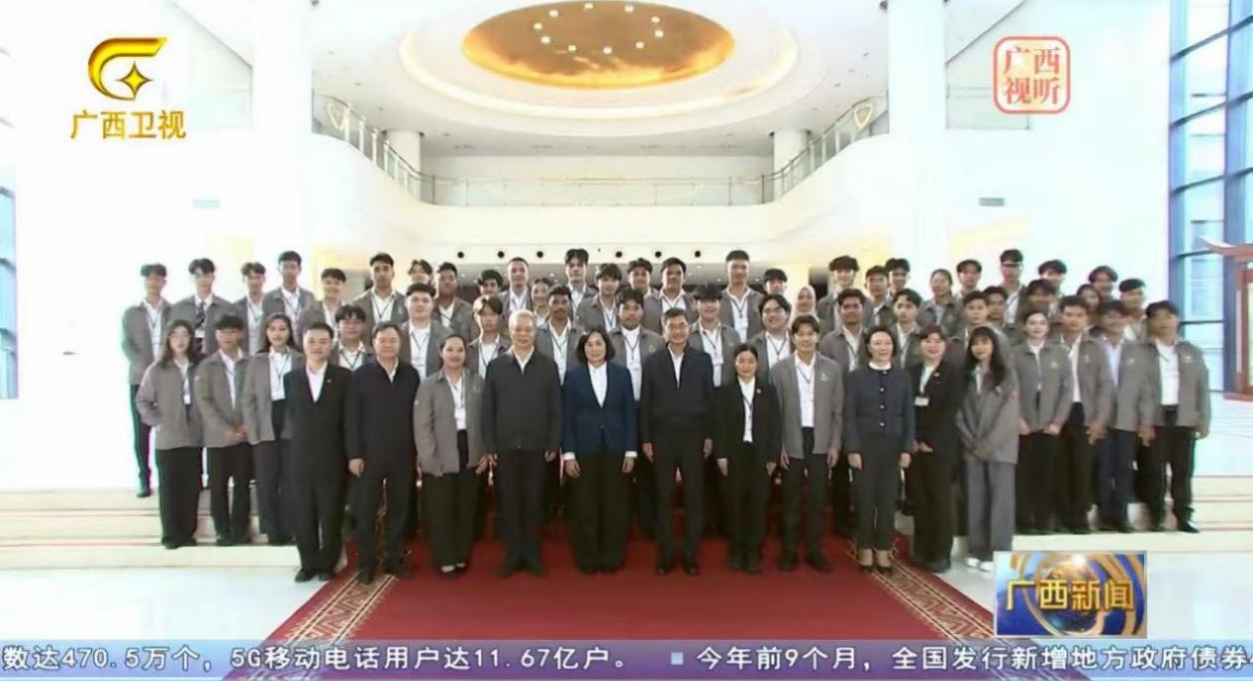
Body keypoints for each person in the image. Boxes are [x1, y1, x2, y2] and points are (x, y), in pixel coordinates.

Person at [482, 310, 562, 577]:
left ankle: (532, 555)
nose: (523, 334)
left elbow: (555, 407)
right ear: (510, 331)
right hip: (504, 446)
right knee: (509, 503)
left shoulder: (548, 366)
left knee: (533, 502)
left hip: (537, 446)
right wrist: (489, 445)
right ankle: (512, 555)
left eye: (528, 329)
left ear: (536, 333)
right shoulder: (496, 366)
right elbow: (488, 408)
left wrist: (553, 442)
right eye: (518, 329)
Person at [640, 308, 715, 576]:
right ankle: (667, 553)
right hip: (662, 437)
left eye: (682, 326)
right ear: (664, 330)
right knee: (664, 497)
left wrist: (709, 435)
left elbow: (710, 400)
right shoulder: (652, 361)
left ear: (689, 328)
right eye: (672, 326)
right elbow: (646, 402)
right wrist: (646, 439)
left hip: (694, 436)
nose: (678, 331)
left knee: (694, 496)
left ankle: (690, 554)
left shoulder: (703, 360)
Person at [347, 322, 421, 584]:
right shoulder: (360, 375)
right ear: (373, 343)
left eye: (393, 340)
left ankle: (394, 559)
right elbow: (352, 417)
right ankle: (366, 563)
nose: (388, 345)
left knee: (399, 509)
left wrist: (418, 451)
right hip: (369, 455)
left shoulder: (411, 374)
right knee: (365, 510)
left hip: (403, 453)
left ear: (400, 344)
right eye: (382, 340)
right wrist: (354, 454)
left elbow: (417, 416)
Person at [562, 329, 638, 574]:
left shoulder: (622, 375)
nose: (594, 349)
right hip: (584, 449)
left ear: (607, 347)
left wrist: (631, 451)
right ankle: (587, 558)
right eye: (589, 345)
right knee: (585, 504)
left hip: (616, 448)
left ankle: (612, 557)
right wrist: (568, 454)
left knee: (615, 504)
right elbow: (567, 418)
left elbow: (629, 414)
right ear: (582, 349)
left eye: (599, 343)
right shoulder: (573, 377)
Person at [772, 315, 842, 573]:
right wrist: (779, 446)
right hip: (791, 437)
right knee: (790, 499)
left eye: (810, 334)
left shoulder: (831, 369)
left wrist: (835, 444)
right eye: (800, 334)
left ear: (818, 337)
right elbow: (774, 413)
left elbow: (838, 411)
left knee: (816, 499)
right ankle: (789, 552)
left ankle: (814, 551)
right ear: (793, 337)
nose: (805, 339)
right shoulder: (779, 369)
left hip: (820, 438)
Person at [416, 334, 489, 578]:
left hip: (471, 447)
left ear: (466, 354)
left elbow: (485, 420)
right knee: (441, 508)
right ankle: (445, 558)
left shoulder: (477, 382)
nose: (455, 354)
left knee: (466, 507)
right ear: (441, 353)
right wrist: (429, 459)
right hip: (441, 448)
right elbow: (422, 425)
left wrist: (485, 451)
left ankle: (461, 555)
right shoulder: (429, 384)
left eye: (460, 350)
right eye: (450, 350)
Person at [844, 327, 914, 575]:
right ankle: (864, 549)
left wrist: (907, 448)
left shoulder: (903, 377)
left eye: (886, 343)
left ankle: (883, 550)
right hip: (864, 447)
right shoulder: (856, 377)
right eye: (877, 343)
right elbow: (849, 414)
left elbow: (909, 414)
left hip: (893, 447)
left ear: (893, 347)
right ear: (868, 347)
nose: (882, 347)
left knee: (887, 501)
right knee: (864, 500)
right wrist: (852, 448)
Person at [285, 322, 353, 582]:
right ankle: (307, 563)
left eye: (323, 341)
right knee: (304, 513)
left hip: (333, 455)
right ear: (303, 344)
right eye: (311, 341)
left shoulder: (344, 377)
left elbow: (349, 420)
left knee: (331, 513)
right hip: (301, 456)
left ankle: (327, 563)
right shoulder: (291, 378)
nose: (317, 346)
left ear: (331, 344)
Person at [1143, 301, 1210, 533]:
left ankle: (1184, 515)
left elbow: (1202, 388)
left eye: (1168, 316)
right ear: (1149, 322)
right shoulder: (1140, 351)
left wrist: (1203, 419)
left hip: (1184, 416)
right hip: (1155, 417)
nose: (1163, 322)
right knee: (1154, 469)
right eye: (1157, 317)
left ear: (1177, 320)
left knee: (1183, 470)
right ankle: (1156, 515)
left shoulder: (1191, 351)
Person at [135, 320, 203, 549]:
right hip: (168, 439)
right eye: (175, 335)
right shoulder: (157, 369)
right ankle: (171, 535)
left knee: (191, 488)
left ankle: (188, 533)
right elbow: (142, 400)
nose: (180, 340)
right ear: (168, 339)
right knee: (170, 489)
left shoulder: (199, 366)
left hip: (193, 437)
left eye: (185, 335)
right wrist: (157, 422)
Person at [957, 327, 1019, 573]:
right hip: (971, 447)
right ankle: (977, 548)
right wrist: (970, 440)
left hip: (1000, 448)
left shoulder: (1007, 375)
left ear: (994, 346)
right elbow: (958, 413)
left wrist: (988, 444)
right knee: (975, 500)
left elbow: (1009, 415)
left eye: (985, 342)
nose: (980, 347)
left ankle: (998, 552)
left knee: (1000, 502)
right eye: (975, 343)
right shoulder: (965, 376)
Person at [714, 344, 780, 575]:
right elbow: (719, 425)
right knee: (735, 504)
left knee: (757, 504)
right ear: (734, 364)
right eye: (741, 361)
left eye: (750, 361)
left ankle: (754, 553)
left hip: (760, 454)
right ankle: (736, 551)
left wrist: (773, 455)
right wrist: (721, 454)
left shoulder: (767, 390)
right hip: (734, 453)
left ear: (757, 364)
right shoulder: (725, 391)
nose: (746, 365)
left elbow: (775, 425)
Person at [1055, 295, 1114, 534]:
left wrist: (1100, 420)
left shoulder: (1096, 346)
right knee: (1058, 466)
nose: (1073, 320)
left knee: (1082, 466)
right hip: (1055, 411)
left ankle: (1079, 518)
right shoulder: (1051, 343)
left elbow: (1106, 385)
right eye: (1069, 314)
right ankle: (1059, 517)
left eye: (1079, 316)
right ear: (1060, 316)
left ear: (1087, 319)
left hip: (1083, 411)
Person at [241, 313, 301, 546]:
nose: (277, 333)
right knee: (266, 480)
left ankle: (291, 527)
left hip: (291, 419)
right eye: (273, 329)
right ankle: (272, 531)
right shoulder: (257, 361)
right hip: (265, 421)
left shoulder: (300, 358)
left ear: (290, 332)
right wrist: (253, 433)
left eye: (282, 329)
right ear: (266, 333)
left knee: (291, 479)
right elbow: (248, 399)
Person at [610, 288, 666, 536]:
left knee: (647, 469)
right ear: (618, 311)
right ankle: (620, 522)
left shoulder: (657, 341)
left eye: (636, 308)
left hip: (649, 410)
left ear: (643, 311)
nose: (631, 313)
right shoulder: (607, 340)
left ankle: (649, 523)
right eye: (626, 308)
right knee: (618, 468)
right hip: (616, 412)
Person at [907, 326, 963, 573]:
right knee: (919, 499)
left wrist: (931, 440)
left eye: (937, 341)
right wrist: (912, 439)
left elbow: (950, 411)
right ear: (920, 344)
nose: (932, 345)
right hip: (914, 447)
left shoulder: (953, 374)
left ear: (945, 345)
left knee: (940, 500)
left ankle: (941, 553)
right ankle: (922, 549)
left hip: (940, 447)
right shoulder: (911, 372)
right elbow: (905, 408)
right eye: (927, 340)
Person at [193, 314, 253, 546]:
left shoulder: (251, 363)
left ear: (241, 334)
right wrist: (224, 429)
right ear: (216, 336)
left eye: (232, 331)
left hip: (245, 436)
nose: (227, 336)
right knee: (217, 487)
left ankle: (241, 530)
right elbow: (204, 402)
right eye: (222, 332)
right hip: (217, 438)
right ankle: (222, 531)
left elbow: (257, 396)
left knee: (242, 486)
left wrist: (247, 425)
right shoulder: (206, 365)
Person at [1012, 310, 1073, 535]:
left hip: (1050, 424)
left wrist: (1057, 422)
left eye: (1041, 323)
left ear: (1048, 327)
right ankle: (1024, 521)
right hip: (1023, 424)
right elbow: (1010, 389)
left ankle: (1043, 520)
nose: (1037, 327)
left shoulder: (1059, 353)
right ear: (1024, 326)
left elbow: (1067, 389)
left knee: (1047, 474)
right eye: (1032, 322)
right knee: (1023, 475)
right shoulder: (1014, 354)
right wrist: (1018, 419)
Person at [1096, 300, 1153, 533]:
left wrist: (1146, 420)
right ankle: (1104, 515)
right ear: (1100, 319)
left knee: (1123, 468)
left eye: (1120, 316)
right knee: (1101, 469)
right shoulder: (1092, 346)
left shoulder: (1138, 349)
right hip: (1097, 418)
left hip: (1127, 419)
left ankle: (1121, 517)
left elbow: (1146, 389)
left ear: (1128, 319)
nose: (1115, 321)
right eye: (1109, 316)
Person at [818, 288, 868, 537]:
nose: (850, 310)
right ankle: (841, 520)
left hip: (867, 412)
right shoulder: (828, 341)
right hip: (838, 409)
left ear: (863, 308)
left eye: (855, 306)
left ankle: (864, 516)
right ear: (839, 311)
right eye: (845, 307)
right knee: (838, 470)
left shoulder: (873, 337)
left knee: (864, 468)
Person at [123, 263, 171, 498]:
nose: (153, 283)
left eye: (157, 278)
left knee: (169, 428)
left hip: (168, 379)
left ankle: (168, 478)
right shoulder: (131, 313)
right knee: (141, 431)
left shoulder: (173, 311)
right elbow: (127, 345)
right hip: (139, 379)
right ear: (144, 282)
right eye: (149, 279)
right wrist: (146, 370)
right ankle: (144, 478)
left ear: (164, 282)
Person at [171, 258, 232, 357]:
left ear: (213, 277)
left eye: (206, 276)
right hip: (186, 360)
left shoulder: (226, 308)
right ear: (192, 278)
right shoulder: (179, 309)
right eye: (198, 276)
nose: (203, 280)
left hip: (216, 361)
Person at [689, 284, 740, 388]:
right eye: (704, 301)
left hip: (726, 391)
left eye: (713, 301)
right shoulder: (687, 334)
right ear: (695, 304)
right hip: (697, 390)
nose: (709, 305)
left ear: (720, 304)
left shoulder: (733, 335)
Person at [399, 282, 451, 380]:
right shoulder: (396, 334)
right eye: (415, 300)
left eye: (425, 301)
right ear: (406, 303)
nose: (420, 304)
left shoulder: (446, 335)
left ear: (433, 304)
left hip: (436, 387)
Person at [535, 285, 581, 384]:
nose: (560, 306)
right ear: (548, 304)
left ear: (570, 304)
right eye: (555, 302)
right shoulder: (537, 334)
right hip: (545, 388)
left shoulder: (581, 334)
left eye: (564, 302)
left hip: (575, 387)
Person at [352, 253, 407, 331]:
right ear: (371, 275)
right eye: (377, 270)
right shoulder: (358, 303)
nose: (382, 274)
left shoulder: (405, 302)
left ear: (393, 273)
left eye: (386, 269)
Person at [643, 257, 697, 334]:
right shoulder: (647, 302)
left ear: (684, 278)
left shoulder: (693, 301)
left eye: (678, 273)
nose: (673, 277)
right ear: (662, 278)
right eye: (669, 273)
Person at [719, 250, 764, 341]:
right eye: (734, 267)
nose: (739, 271)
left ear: (749, 271)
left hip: (754, 347)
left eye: (744, 267)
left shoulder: (760, 299)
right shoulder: (718, 300)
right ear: (726, 270)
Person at [749, 293, 792, 383]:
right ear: (761, 316)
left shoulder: (797, 341)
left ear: (787, 314)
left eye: (777, 310)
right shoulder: (752, 345)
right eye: (767, 311)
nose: (772, 315)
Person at [297, 268, 347, 341]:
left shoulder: (349, 312)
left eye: (337, 283)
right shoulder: (308, 312)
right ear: (321, 284)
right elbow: (300, 339)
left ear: (344, 286)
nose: (332, 287)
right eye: (328, 283)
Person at [266, 251, 315, 322]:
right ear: (279, 269)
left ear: (299, 269)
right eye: (285, 267)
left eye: (293, 267)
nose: (289, 271)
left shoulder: (309, 297)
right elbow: (265, 325)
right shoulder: (269, 298)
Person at [468, 296, 509, 377]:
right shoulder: (469, 350)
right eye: (483, 315)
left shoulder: (509, 349)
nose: (488, 319)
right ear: (475, 317)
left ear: (500, 317)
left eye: (493, 314)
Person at [576, 263, 623, 332]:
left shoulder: (622, 305)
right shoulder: (584, 307)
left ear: (619, 283)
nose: (609, 284)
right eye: (605, 280)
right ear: (596, 282)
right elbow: (579, 332)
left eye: (613, 280)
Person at [434, 262, 475, 340]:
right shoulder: (427, 309)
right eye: (442, 279)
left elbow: (473, 340)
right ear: (434, 282)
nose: (447, 282)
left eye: (451, 278)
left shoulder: (468, 310)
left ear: (457, 282)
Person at [236, 262, 268, 356]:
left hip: (267, 354)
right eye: (250, 278)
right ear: (243, 279)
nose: (254, 282)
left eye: (258, 277)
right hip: (243, 354)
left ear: (264, 279)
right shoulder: (236, 307)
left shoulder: (272, 303)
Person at [331, 305, 374, 370]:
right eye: (346, 323)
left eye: (356, 322)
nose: (351, 326)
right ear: (337, 326)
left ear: (364, 325)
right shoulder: (329, 353)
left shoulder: (373, 353)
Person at [920, 268, 960, 338]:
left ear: (950, 284)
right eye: (935, 281)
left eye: (942, 281)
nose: (938, 285)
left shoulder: (959, 306)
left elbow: (961, 331)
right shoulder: (923, 306)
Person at [891, 289, 924, 368]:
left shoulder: (924, 335)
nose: (903, 310)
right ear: (893, 309)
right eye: (899, 306)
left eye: (908, 307)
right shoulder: (887, 334)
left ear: (917, 310)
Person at [998, 249, 1027, 324]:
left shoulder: (1029, 293)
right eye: (1007, 266)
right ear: (1001, 267)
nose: (1011, 270)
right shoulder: (992, 293)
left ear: (1022, 268)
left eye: (1015, 266)